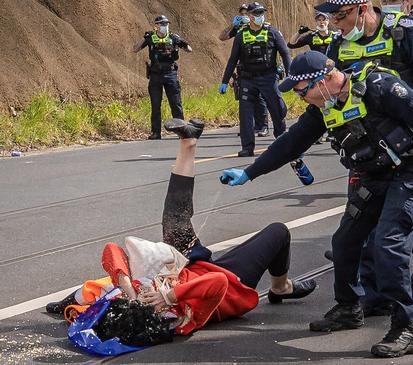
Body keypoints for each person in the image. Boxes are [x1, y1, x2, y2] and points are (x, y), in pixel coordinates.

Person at [219, 51, 413, 358]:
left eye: (302, 92)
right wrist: (248, 172)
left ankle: (404, 328)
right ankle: (349, 308)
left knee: (388, 244)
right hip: (373, 177)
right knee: (345, 241)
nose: (301, 100)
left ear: (323, 81)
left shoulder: (379, 88)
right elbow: (291, 143)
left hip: (411, 175)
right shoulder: (323, 108)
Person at [46, 118, 317, 336]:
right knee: (278, 231)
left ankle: (189, 142)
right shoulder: (181, 320)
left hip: (189, 267)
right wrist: (167, 296)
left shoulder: (131, 298)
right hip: (230, 283)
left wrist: (129, 291)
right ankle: (281, 287)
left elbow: (111, 251)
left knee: (174, 221)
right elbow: (216, 282)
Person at [316, 0, 413, 307]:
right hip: (369, 146)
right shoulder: (339, 45)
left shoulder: (405, 32)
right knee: (364, 219)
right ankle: (375, 295)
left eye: (341, 16)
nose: (337, 23)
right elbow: (331, 85)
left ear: (363, 8)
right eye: (333, 18)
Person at [220, 2, 291, 157]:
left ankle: (281, 139)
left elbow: (285, 53)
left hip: (268, 78)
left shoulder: (272, 32)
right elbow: (233, 59)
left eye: (261, 13)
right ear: (250, 16)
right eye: (256, 14)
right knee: (245, 114)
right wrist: (224, 81)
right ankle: (247, 147)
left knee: (278, 109)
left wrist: (290, 74)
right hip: (248, 79)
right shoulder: (241, 35)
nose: (260, 16)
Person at [133, 15, 192, 140]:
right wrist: (145, 38)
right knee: (155, 105)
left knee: (176, 104)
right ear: (156, 25)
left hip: (170, 74)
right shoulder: (150, 37)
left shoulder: (172, 37)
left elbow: (189, 49)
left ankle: (181, 131)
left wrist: (180, 41)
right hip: (155, 75)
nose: (165, 26)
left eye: (166, 24)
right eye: (162, 24)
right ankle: (156, 132)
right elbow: (135, 49)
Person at [219, 3, 270, 138]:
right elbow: (222, 37)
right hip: (244, 66)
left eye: (246, 12)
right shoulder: (239, 28)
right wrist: (233, 25)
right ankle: (248, 127)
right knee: (245, 99)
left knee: (259, 99)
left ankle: (263, 126)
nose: (244, 15)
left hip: (260, 66)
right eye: (242, 13)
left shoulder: (262, 26)